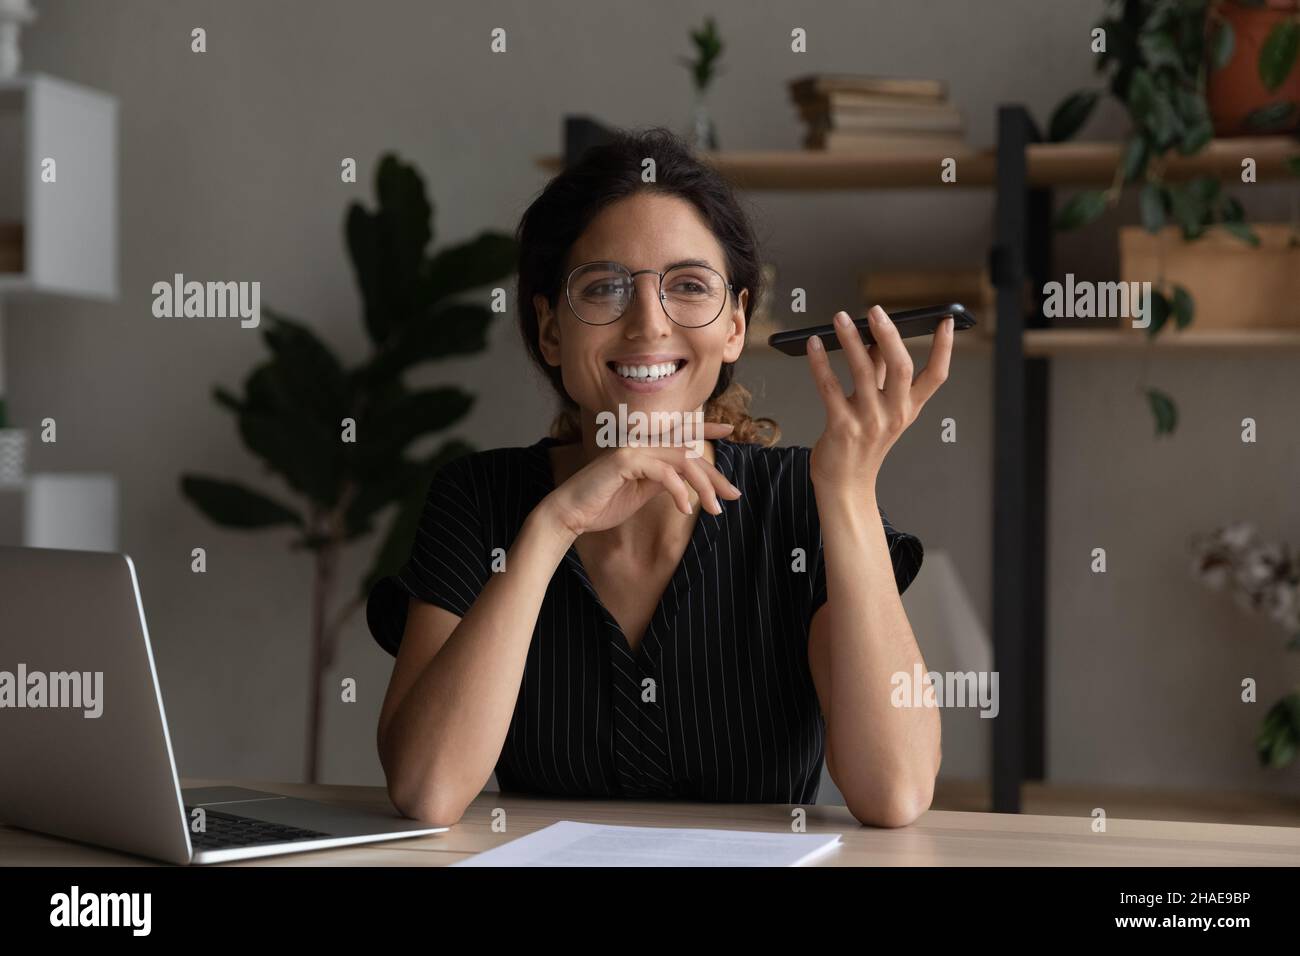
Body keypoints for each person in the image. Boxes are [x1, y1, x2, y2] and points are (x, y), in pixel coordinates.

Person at [367, 127, 952, 827]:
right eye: (605, 287)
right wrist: (552, 527)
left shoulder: (800, 502)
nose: (649, 323)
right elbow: (427, 788)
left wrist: (850, 495)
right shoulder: (478, 498)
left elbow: (895, 792)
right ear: (550, 330)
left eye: (689, 286)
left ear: (734, 325)